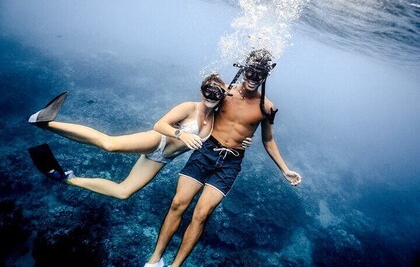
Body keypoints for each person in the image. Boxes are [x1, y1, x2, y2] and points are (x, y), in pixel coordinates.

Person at [145, 49, 302, 267]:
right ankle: (155, 260)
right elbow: (202, 108)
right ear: (243, 69)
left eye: (259, 74)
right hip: (206, 151)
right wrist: (183, 131)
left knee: (201, 214)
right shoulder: (224, 92)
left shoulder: (268, 107)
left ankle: (175, 265)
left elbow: (268, 140)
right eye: (250, 72)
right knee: (178, 203)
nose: (253, 79)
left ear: (266, 76)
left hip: (230, 163)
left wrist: (285, 169)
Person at [28, 73, 252, 199]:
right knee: (110, 144)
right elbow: (159, 125)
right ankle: (46, 122)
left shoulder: (216, 120)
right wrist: (180, 135)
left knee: (123, 192)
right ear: (201, 90)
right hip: (158, 140)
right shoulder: (189, 107)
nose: (210, 96)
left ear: (223, 96)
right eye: (207, 90)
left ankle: (67, 178)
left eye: (216, 93)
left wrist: (244, 140)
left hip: (161, 158)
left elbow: (228, 135)